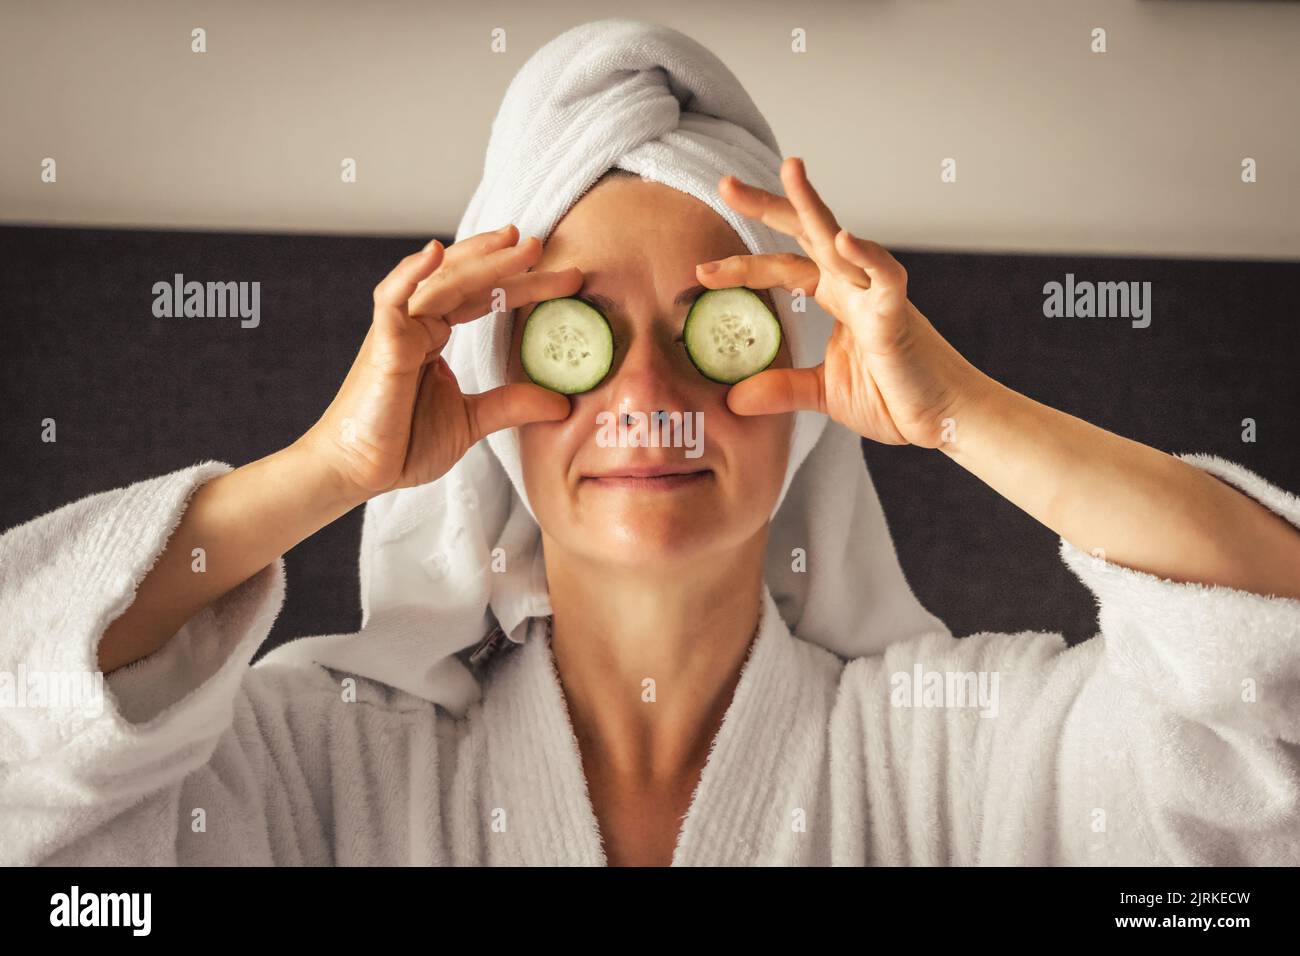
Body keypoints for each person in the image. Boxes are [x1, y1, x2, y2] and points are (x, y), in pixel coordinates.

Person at [2, 20, 1298, 867]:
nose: (643, 390)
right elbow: (33, 767)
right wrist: (328, 471)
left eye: (712, 326)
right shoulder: (316, 759)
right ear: (488, 366)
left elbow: (1262, 692)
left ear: (799, 377)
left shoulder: (969, 750)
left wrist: (963, 412)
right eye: (576, 326)